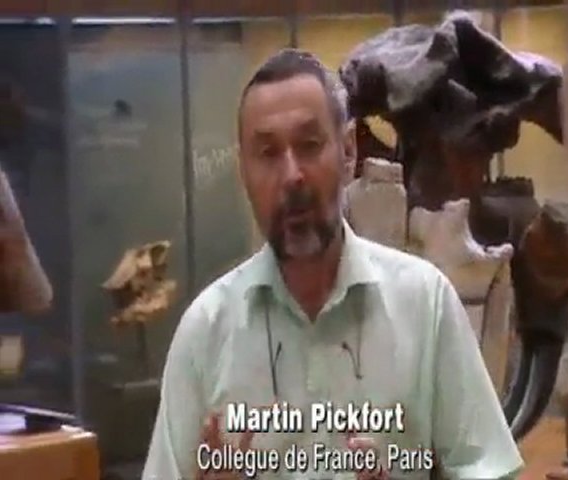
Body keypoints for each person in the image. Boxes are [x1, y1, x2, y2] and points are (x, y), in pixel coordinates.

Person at [142, 49, 524, 480]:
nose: (292, 175)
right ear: (243, 171)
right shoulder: (206, 330)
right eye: (267, 153)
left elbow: (491, 470)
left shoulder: (425, 304)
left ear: (348, 151)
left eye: (309, 146)